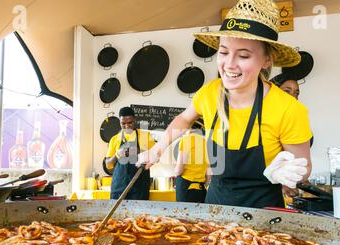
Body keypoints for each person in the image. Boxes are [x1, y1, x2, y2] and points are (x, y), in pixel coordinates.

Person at [137, 0, 312, 209]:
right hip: (217, 209)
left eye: (244, 55)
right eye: (223, 51)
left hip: (265, 214)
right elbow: (184, 119)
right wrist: (158, 148)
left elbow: (304, 167)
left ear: (267, 60)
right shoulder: (210, 93)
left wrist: (287, 173)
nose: (229, 64)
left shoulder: (288, 109)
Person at [105, 106, 155, 200]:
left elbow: (155, 156)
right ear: (119, 122)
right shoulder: (115, 139)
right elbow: (108, 164)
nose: (127, 126)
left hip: (139, 187)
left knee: (140, 215)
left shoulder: (145, 136)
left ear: (134, 120)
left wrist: (139, 152)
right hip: (119, 187)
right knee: (118, 214)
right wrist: (117, 155)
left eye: (130, 123)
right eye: (123, 124)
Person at [174, 119, 209, 203]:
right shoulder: (207, 143)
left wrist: (175, 172)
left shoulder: (186, 139)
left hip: (186, 186)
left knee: (183, 214)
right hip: (201, 187)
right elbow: (209, 172)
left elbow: (179, 170)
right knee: (199, 215)